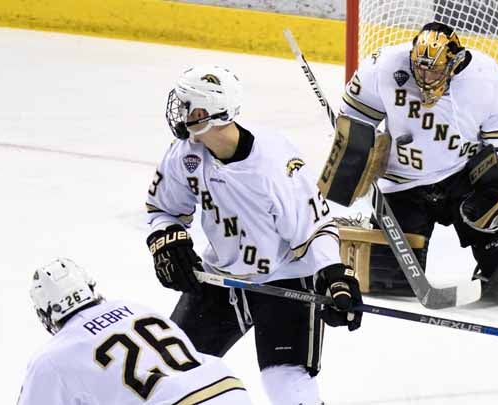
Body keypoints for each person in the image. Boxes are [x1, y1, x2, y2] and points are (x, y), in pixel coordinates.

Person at [334, 21, 498, 304]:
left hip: (463, 179)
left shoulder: (485, 78)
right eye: (419, 67)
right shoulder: (384, 66)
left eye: (434, 69)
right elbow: (353, 119)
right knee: (385, 280)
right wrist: (361, 152)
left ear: (454, 63)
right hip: (402, 183)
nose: (424, 76)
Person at [144, 65, 362, 405]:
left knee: (285, 383)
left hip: (284, 281)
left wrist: (334, 275)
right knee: (167, 371)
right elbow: (163, 209)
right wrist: (166, 239)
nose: (179, 112)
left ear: (204, 114)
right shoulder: (185, 154)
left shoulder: (274, 163)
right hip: (219, 280)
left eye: (186, 106)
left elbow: (316, 227)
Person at [18, 258, 252, 404]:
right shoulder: (134, 308)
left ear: (45, 314)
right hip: (229, 390)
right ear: (90, 288)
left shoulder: (51, 357)